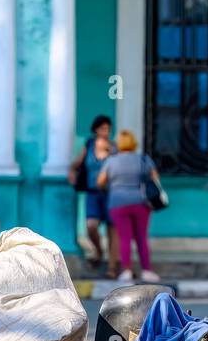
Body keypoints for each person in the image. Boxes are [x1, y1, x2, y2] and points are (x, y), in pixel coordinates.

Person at [97, 130, 162, 283]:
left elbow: (100, 181)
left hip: (117, 202)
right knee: (141, 237)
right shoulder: (143, 159)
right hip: (140, 202)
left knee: (124, 237)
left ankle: (126, 270)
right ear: (133, 143)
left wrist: (112, 188)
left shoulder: (111, 161)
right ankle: (146, 270)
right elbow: (155, 177)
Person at [68, 115, 119, 277]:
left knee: (113, 230)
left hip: (111, 193)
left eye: (108, 129)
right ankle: (98, 250)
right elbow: (76, 164)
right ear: (96, 129)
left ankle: (112, 267)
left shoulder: (114, 148)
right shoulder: (89, 145)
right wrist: (71, 173)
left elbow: (120, 168)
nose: (106, 131)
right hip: (92, 193)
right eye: (103, 128)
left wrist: (112, 154)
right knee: (91, 225)